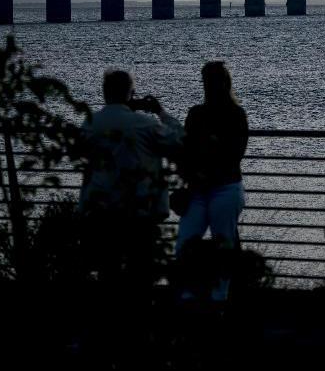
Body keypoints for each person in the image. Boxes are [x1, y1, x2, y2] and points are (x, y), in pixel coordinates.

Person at [79, 69, 184, 290]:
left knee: (108, 270)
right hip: (139, 210)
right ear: (131, 93)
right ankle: (139, 317)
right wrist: (161, 112)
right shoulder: (145, 124)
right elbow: (178, 140)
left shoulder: (90, 124)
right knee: (142, 270)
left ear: (104, 92)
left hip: (102, 209)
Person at [176, 61, 249, 303]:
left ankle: (216, 296)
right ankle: (205, 295)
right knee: (217, 242)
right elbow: (232, 153)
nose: (207, 86)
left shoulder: (211, 114)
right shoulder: (229, 114)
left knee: (201, 241)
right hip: (215, 185)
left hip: (216, 186)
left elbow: (234, 153)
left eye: (209, 81)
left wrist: (198, 172)